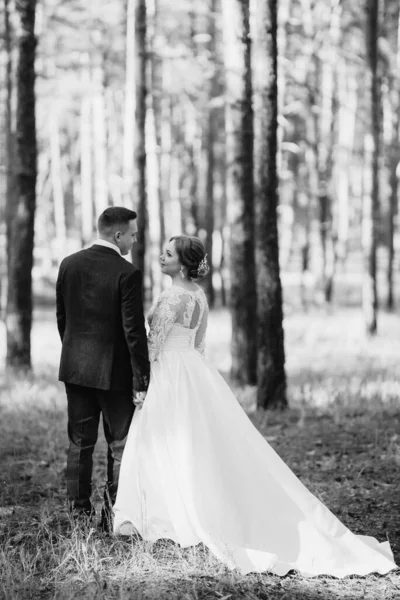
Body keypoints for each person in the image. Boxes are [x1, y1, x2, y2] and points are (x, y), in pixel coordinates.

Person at [113, 234, 397, 577]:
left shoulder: (172, 297)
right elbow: (198, 344)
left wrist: (142, 381)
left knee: (165, 442)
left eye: (168, 253)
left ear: (184, 265)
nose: (161, 256)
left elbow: (152, 345)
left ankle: (168, 516)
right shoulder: (198, 296)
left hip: (169, 375)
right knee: (196, 447)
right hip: (195, 374)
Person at [56, 207, 150, 530]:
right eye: (133, 234)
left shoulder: (68, 265)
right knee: (119, 448)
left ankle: (78, 516)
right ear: (117, 235)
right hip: (116, 377)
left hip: (76, 370)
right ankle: (111, 517)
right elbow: (133, 332)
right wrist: (142, 378)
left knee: (79, 445)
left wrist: (76, 356)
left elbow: (62, 320)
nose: (135, 239)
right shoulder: (127, 273)